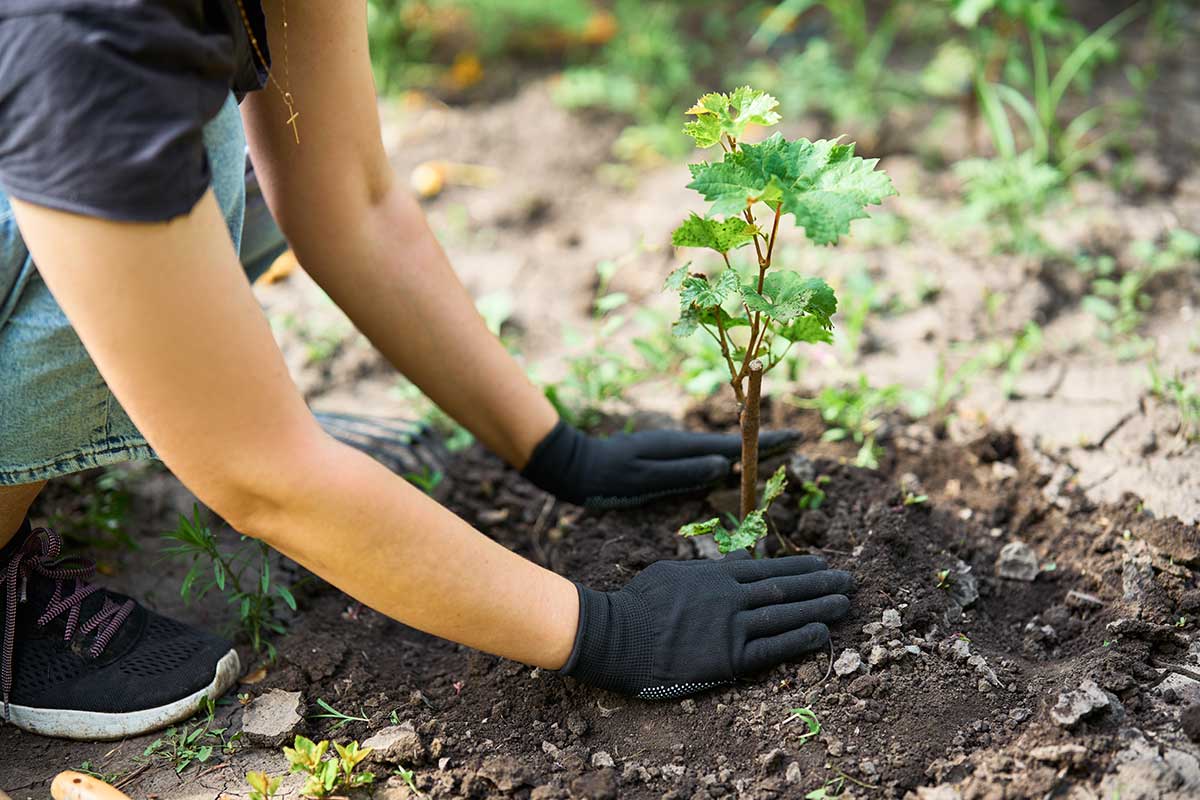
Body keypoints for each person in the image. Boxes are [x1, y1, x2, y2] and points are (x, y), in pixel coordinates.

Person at [0, 0, 854, 741]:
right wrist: (608, 631)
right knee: (182, 162)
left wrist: (553, 448)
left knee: (221, 154)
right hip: (65, 77)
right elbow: (260, 477)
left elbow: (349, 197)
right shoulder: (85, 35)